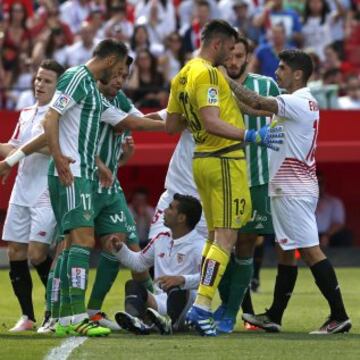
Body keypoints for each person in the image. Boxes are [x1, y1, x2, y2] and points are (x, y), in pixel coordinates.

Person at [165, 19, 284, 336]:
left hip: (202, 160)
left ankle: (200, 307)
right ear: (217, 44)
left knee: (213, 237)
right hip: (224, 159)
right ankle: (202, 307)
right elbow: (212, 121)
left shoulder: (184, 74)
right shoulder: (206, 73)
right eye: (230, 49)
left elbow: (172, 125)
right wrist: (250, 136)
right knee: (227, 238)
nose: (232, 57)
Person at [224, 49, 351, 334]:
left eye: (281, 68)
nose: (276, 72)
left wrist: (223, 76)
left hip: (292, 189)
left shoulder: (298, 101)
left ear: (297, 74)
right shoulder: (296, 104)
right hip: (289, 187)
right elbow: (253, 109)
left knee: (310, 250)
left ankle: (339, 315)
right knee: (285, 249)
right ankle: (275, 316)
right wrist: (225, 91)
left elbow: (256, 100)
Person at [214, 35, 281, 334]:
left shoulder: (266, 86)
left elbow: (280, 120)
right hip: (221, 176)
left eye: (239, 55)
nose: (233, 61)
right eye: (229, 55)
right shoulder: (210, 83)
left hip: (255, 179)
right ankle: (226, 308)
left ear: (248, 57)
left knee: (244, 246)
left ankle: (229, 313)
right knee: (221, 246)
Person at [0, 59, 65, 332]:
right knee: (15, 251)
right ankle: (28, 317)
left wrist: (13, 158)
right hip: (22, 188)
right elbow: (13, 146)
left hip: (46, 190)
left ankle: (55, 312)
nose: (39, 84)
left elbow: (53, 148)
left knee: (38, 254)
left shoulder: (59, 113)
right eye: (38, 79)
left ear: (58, 86)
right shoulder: (26, 112)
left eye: (47, 81)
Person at [113, 194, 204, 335]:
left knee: (178, 288)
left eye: (170, 208)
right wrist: (121, 250)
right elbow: (139, 263)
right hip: (159, 299)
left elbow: (208, 279)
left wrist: (182, 280)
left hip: (186, 303)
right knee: (133, 285)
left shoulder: (199, 245)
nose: (164, 211)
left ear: (181, 218)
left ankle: (169, 323)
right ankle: (137, 322)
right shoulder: (161, 238)